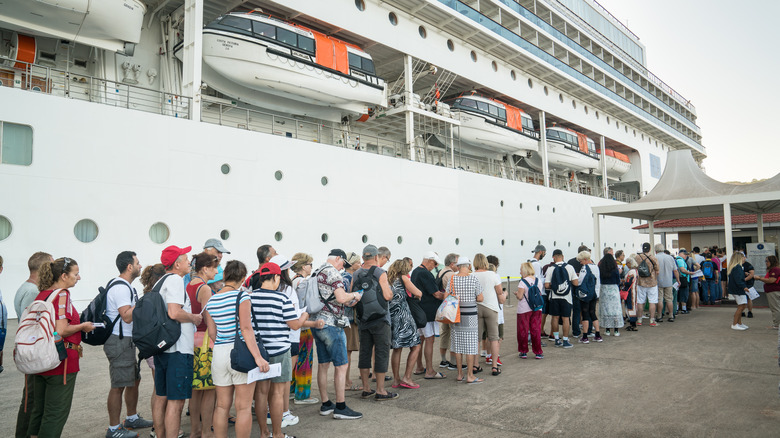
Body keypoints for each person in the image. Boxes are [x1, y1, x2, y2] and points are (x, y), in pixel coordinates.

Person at [27, 257, 96, 438]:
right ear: (64, 276)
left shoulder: (42, 294)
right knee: (55, 414)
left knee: (38, 411)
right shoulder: (62, 294)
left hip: (40, 359)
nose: (78, 277)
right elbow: (62, 330)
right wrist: (83, 326)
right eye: (76, 273)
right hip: (60, 361)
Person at [203, 261, 268, 438]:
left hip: (219, 353)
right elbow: (246, 329)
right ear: (243, 277)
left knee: (222, 406)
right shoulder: (242, 297)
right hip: (240, 351)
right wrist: (258, 357)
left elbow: (213, 333)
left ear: (224, 276)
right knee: (243, 407)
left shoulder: (212, 300)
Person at [250, 262, 312, 438]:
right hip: (280, 351)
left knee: (261, 393)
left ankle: (264, 433)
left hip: (259, 352)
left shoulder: (249, 297)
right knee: (277, 393)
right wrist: (304, 315)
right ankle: (277, 434)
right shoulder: (281, 298)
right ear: (277, 277)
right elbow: (294, 325)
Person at [153, 245, 202, 438]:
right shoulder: (174, 280)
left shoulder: (160, 282)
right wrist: (193, 318)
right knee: (177, 401)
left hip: (164, 348)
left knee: (161, 397)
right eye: (186, 258)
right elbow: (174, 312)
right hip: (178, 348)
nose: (189, 262)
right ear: (177, 263)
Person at [104, 251, 154, 438]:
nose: (141, 266)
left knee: (134, 379)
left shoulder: (124, 286)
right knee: (118, 385)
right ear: (129, 266)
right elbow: (126, 316)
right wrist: (144, 303)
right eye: (138, 263)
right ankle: (114, 429)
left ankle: (131, 418)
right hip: (119, 340)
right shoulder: (121, 288)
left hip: (126, 340)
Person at [310, 249, 363, 419]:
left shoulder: (317, 271)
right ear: (338, 258)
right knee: (341, 366)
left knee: (323, 365)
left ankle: (326, 404)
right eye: (343, 263)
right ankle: (341, 407)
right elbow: (340, 298)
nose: (342, 267)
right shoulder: (333, 272)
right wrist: (355, 295)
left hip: (317, 322)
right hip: (332, 324)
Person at [14, 252, 53, 438]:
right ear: (44, 267)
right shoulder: (32, 292)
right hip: (32, 353)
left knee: (31, 398)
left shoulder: (26, 288)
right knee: (31, 400)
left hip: (29, 351)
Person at [354, 245, 398, 401]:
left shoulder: (356, 273)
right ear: (376, 257)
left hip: (363, 319)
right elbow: (387, 295)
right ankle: (380, 390)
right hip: (380, 319)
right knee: (381, 352)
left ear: (363, 257)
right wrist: (391, 293)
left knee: (365, 352)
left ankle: (366, 388)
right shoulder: (380, 272)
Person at [186, 253, 219, 438]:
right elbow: (209, 317)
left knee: (195, 390)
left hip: (192, 338)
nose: (216, 270)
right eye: (214, 267)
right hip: (206, 339)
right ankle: (206, 431)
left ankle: (195, 430)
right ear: (205, 269)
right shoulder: (204, 288)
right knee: (209, 390)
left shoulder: (189, 285)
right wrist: (217, 339)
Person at [445, 257, 484, 384]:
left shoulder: (452, 279)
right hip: (470, 315)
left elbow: (446, 297)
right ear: (468, 265)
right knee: (471, 346)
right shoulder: (473, 278)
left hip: (456, 315)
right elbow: (480, 298)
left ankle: (460, 374)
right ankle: (470, 375)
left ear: (458, 266)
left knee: (458, 345)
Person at [386, 259, 423, 388]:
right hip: (404, 317)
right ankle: (407, 377)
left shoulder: (387, 279)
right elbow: (418, 292)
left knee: (397, 348)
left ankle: (396, 380)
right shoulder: (403, 278)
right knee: (416, 346)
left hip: (391, 316)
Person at [289, 253, 319, 405]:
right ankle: (303, 394)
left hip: (293, 327)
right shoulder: (303, 282)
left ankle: (291, 390)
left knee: (294, 359)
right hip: (303, 325)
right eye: (310, 264)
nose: (311, 267)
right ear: (303, 266)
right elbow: (304, 306)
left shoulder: (292, 280)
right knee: (305, 358)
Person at [411, 252, 446, 380]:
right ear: (430, 261)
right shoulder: (425, 273)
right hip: (428, 312)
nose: (435, 266)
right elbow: (436, 294)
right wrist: (448, 296)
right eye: (435, 264)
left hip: (418, 311)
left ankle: (419, 366)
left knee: (420, 339)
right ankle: (430, 370)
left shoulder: (415, 271)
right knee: (430, 339)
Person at [472, 253, 504, 373]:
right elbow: (499, 291)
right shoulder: (492, 274)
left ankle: (475, 365)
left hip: (476, 308)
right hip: (491, 308)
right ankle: (494, 367)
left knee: (477, 338)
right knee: (494, 338)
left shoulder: (472, 275)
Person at [340, 252, 362, 391]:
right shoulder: (349, 278)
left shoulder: (342, 276)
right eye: (358, 262)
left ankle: (345, 380)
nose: (360, 264)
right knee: (347, 350)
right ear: (352, 264)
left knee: (345, 350)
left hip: (342, 318)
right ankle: (346, 382)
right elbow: (348, 299)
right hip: (349, 318)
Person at [516, 262, 543, 359]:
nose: (520, 272)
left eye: (521, 270)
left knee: (523, 330)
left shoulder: (522, 282)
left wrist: (517, 294)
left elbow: (520, 297)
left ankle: (523, 351)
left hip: (524, 309)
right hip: (537, 307)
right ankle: (538, 352)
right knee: (536, 329)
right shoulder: (538, 281)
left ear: (524, 271)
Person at [436, 253, 459, 370]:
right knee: (453, 333)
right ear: (452, 264)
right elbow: (453, 291)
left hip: (443, 306)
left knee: (444, 333)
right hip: (451, 307)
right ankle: (453, 362)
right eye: (457, 263)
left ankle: (443, 360)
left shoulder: (441, 271)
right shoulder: (451, 275)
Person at [577, 251, 602, 343]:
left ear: (585, 259)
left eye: (580, 261)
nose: (580, 263)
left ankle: (585, 336)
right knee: (593, 313)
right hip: (595, 293)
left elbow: (580, 281)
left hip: (586, 293)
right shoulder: (596, 267)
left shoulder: (584, 268)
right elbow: (598, 280)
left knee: (585, 314)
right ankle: (598, 334)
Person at [633, 243, 660, 326]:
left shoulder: (637, 257)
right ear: (650, 248)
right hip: (652, 283)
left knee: (640, 301)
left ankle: (639, 320)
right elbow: (657, 271)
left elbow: (634, 268)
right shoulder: (653, 258)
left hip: (641, 282)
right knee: (652, 301)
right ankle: (652, 321)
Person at [598, 252, 624, 337]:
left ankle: (607, 330)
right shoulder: (615, 269)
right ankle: (616, 331)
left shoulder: (601, 268)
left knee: (606, 309)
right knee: (615, 309)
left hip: (604, 289)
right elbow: (618, 280)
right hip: (613, 290)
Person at [567, 245, 589, 337]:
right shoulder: (588, 263)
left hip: (573, 289)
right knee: (586, 310)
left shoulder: (570, 262)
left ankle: (576, 331)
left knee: (576, 311)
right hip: (585, 289)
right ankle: (588, 329)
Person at [754, 256, 780, 328]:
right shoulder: (775, 269)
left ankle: (777, 324)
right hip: (773, 290)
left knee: (775, 308)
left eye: (767, 261)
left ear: (772, 261)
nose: (766, 263)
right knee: (777, 307)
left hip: (774, 291)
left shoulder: (775, 270)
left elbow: (772, 280)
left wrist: (760, 278)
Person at [655, 244, 678, 322]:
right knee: (669, 299)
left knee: (659, 299)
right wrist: (678, 280)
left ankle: (659, 316)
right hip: (669, 281)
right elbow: (675, 270)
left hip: (658, 282)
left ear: (656, 250)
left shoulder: (655, 258)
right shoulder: (670, 257)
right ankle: (671, 315)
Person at [528, 245, 548, 337]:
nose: (544, 254)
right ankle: (535, 337)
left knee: (529, 316)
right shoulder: (537, 264)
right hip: (537, 294)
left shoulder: (527, 262)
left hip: (528, 293)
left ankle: (529, 336)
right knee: (536, 317)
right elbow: (538, 280)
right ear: (541, 252)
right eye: (544, 253)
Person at [727, 252, 750, 330]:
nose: (745, 258)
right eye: (743, 257)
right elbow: (738, 280)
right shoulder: (738, 267)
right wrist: (744, 287)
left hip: (736, 289)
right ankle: (735, 324)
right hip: (738, 290)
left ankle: (739, 323)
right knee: (741, 307)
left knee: (742, 306)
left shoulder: (736, 267)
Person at [623, 257, 640, 331]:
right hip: (634, 290)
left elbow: (628, 282)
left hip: (630, 291)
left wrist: (622, 282)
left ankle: (633, 324)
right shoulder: (635, 271)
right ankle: (633, 324)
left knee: (630, 306)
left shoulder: (631, 272)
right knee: (633, 306)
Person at [675, 250, 694, 315]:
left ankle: (677, 309)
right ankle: (683, 309)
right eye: (685, 254)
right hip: (683, 279)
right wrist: (690, 273)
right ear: (681, 254)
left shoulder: (676, 260)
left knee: (678, 295)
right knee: (683, 294)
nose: (686, 256)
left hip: (678, 279)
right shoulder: (680, 260)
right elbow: (682, 270)